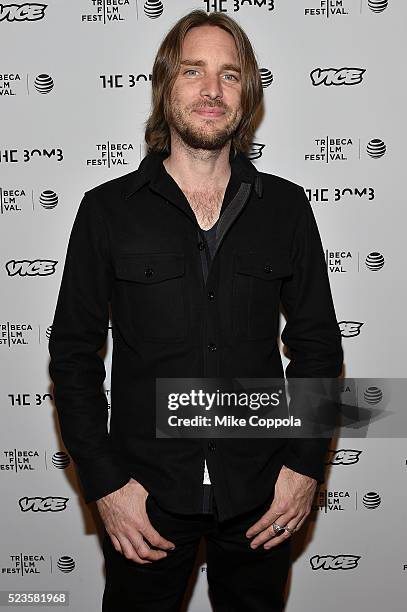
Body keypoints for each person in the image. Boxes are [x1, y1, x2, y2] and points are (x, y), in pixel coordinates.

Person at [48, 9, 343, 612]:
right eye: (193, 71)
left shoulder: (286, 208)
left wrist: (304, 467)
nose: (212, 89)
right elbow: (73, 356)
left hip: (262, 496)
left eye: (229, 75)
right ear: (166, 86)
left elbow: (319, 347)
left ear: (248, 94)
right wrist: (105, 484)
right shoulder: (106, 211)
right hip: (145, 500)